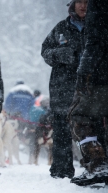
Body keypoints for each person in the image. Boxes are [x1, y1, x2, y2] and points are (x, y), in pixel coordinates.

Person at [41, 0, 88, 179]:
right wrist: (59, 54)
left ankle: (96, 168)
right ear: (72, 5)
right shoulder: (61, 28)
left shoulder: (97, 28)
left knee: (94, 129)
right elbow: (45, 51)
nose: (83, 6)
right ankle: (61, 171)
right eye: (80, 2)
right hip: (61, 89)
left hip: (90, 89)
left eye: (87, 2)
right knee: (61, 132)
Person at [68, 0, 108, 186]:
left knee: (79, 115)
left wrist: (83, 71)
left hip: (100, 75)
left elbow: (95, 41)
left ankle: (98, 165)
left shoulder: (98, 6)